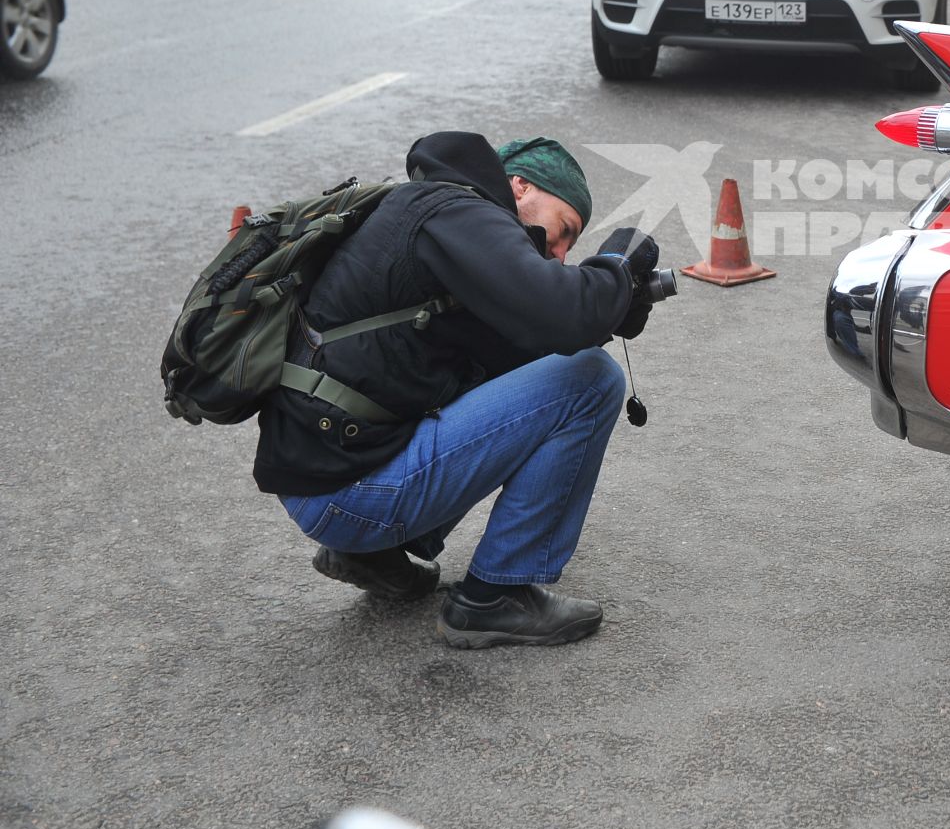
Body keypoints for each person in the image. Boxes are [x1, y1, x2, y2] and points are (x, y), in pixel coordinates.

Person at [257, 132, 658, 649]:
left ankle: (371, 555)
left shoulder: (441, 223)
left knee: (553, 372)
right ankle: (497, 597)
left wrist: (610, 311)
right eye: (563, 232)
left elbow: (533, 354)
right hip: (349, 495)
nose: (559, 255)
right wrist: (616, 270)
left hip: (330, 486)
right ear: (519, 187)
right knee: (592, 380)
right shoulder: (456, 212)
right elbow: (560, 315)